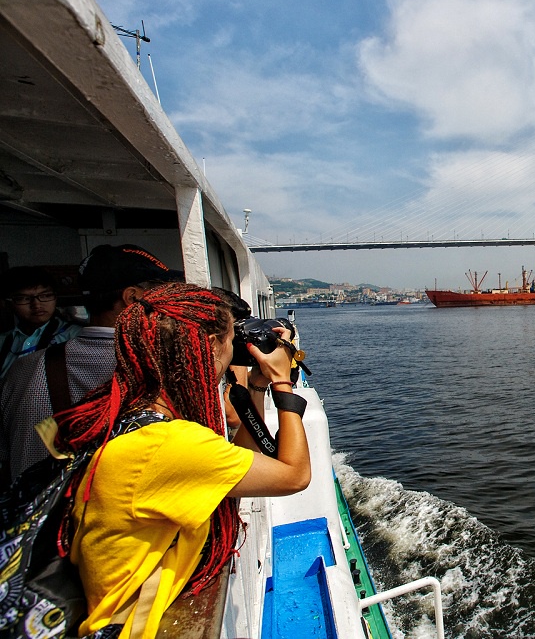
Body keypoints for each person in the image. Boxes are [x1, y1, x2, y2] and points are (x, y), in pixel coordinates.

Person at [51, 282, 311, 638]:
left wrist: (256, 386)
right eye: (229, 338)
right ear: (208, 348)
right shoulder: (171, 444)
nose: (235, 347)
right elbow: (294, 476)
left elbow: (243, 463)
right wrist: (283, 382)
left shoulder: (130, 415)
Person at [0, 244, 182, 483]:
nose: (168, 303)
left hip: (34, 515)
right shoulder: (158, 367)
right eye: (161, 293)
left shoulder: (23, 369)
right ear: (132, 297)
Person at [0, 266, 81, 378]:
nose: (37, 305)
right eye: (25, 298)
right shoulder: (3, 341)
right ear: (7, 303)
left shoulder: (75, 337)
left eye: (46, 296)